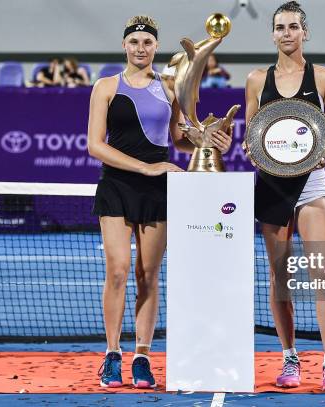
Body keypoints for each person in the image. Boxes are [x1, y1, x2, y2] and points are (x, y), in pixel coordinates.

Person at [87, 15, 232, 389]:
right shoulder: (105, 87)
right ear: (124, 45)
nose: (140, 48)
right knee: (118, 271)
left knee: (147, 276)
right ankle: (112, 354)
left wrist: (207, 142)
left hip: (157, 192)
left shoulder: (168, 89)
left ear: (155, 47)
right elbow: (95, 145)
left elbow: (179, 138)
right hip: (117, 187)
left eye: (147, 43)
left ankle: (142, 356)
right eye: (134, 41)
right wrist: (146, 168)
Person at [243, 1, 325, 392]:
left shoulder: (324, 77)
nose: (287, 33)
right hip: (271, 186)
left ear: (305, 33)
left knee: (323, 273)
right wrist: (250, 149)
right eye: (280, 27)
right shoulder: (256, 79)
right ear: (272, 34)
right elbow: (252, 134)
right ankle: (290, 357)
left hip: (312, 185)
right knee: (280, 279)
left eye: (293, 27)